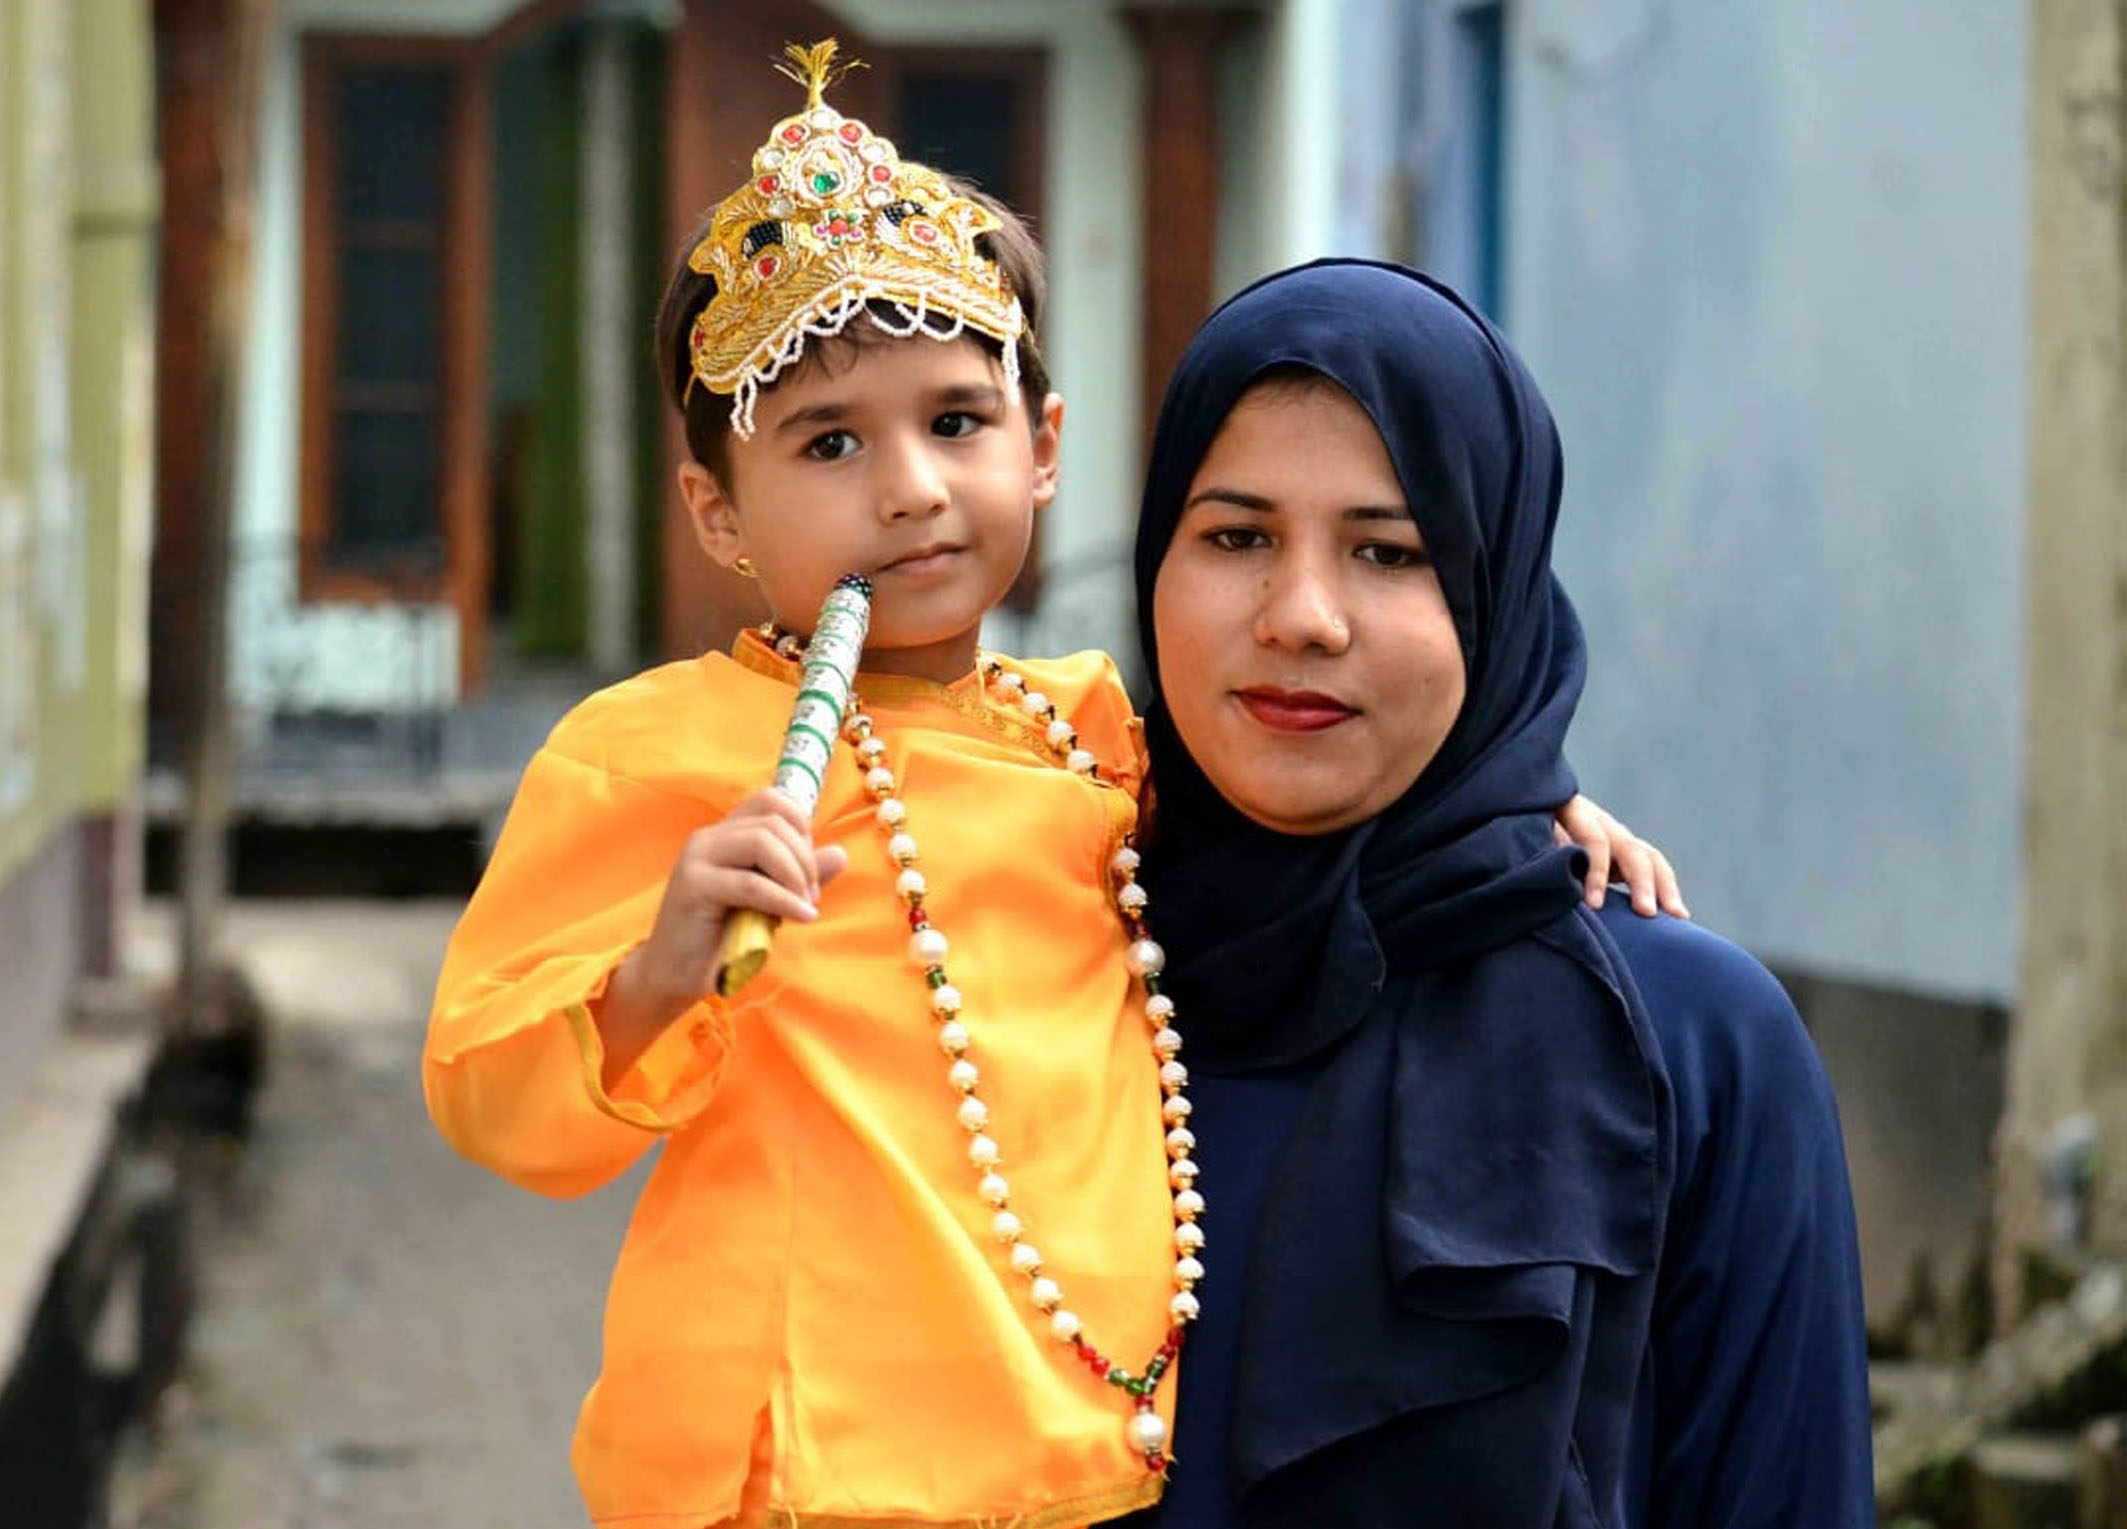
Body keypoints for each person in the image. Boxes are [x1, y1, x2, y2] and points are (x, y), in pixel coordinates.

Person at [424, 42, 1677, 1529]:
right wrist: (659, 969)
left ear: (1043, 452)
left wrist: (1508, 801)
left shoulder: (1097, 735)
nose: (908, 489)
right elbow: (494, 1103)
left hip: (1084, 1462)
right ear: (716, 512)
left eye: (956, 421)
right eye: (828, 442)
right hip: (798, 1465)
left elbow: (1316, 785)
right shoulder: (654, 755)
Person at [1122, 259, 1874, 1528]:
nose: (1303, 615)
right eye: (1236, 535)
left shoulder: (1687, 1038)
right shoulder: (1016, 972)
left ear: (1497, 589)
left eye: (1391, 550)